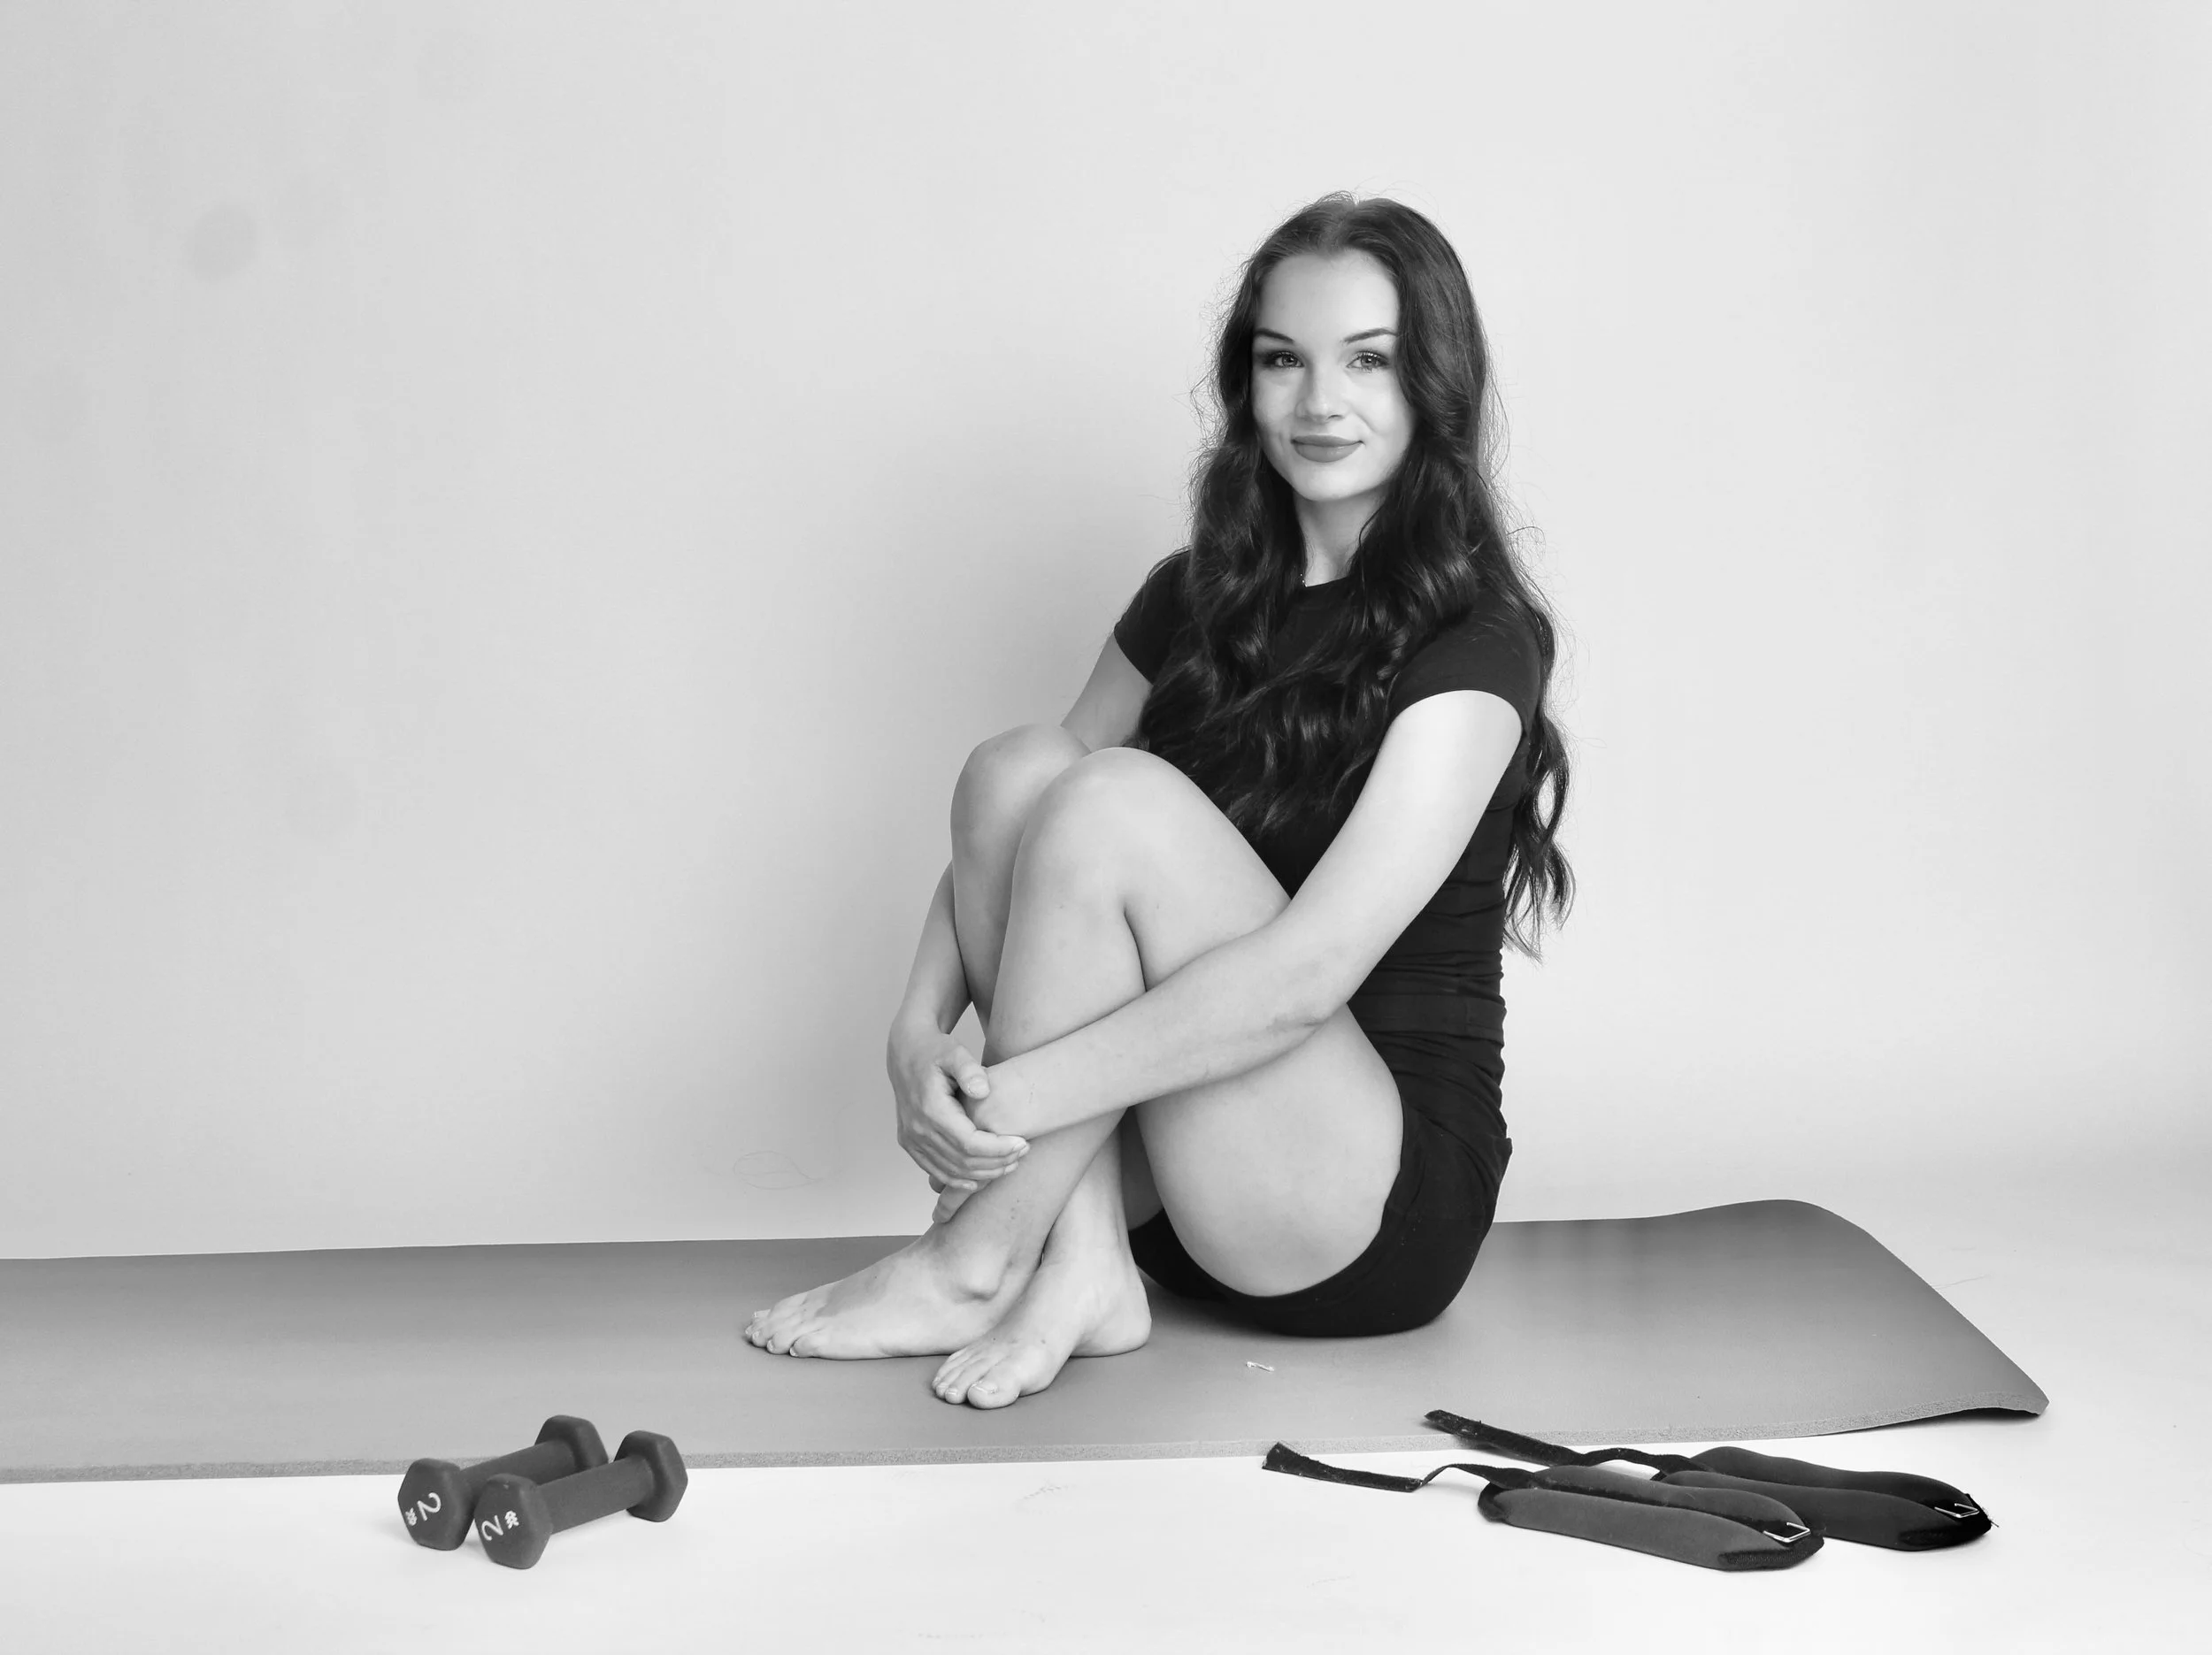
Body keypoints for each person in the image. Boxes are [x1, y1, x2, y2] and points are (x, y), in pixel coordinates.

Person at [745, 192, 1571, 1410]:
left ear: (1433, 385)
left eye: (1369, 362)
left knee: (1112, 801)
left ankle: (978, 1256)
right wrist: (917, 1036)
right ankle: (1082, 1263)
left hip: (1358, 1207)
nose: (1319, 403)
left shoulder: (1478, 643)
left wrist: (1009, 1095)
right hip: (1169, 1195)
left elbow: (1304, 977)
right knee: (1020, 770)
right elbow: (1010, 831)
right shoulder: (1192, 596)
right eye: (1282, 361)